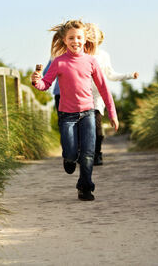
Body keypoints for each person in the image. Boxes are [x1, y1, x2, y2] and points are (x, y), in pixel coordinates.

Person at [32, 19, 119, 201]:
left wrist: (112, 112)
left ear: (84, 39)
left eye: (79, 37)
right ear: (64, 40)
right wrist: (36, 80)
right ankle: (68, 158)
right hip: (67, 116)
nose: (76, 41)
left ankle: (85, 187)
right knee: (71, 153)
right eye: (71, 38)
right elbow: (45, 84)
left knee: (88, 154)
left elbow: (103, 88)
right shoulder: (59, 62)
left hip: (88, 112)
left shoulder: (91, 61)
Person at [85, 23, 138, 165]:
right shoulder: (79, 55)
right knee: (82, 130)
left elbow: (111, 75)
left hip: (97, 98)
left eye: (94, 32)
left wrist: (129, 75)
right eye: (88, 32)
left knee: (98, 131)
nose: (91, 34)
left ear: (99, 36)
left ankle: (97, 154)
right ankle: (83, 154)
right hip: (81, 97)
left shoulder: (103, 56)